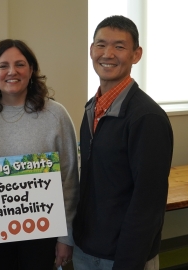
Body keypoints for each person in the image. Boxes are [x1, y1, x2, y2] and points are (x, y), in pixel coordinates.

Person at [72, 15, 174, 270]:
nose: (107, 53)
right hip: (85, 249)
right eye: (101, 44)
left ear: (136, 55)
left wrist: (128, 262)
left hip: (124, 257)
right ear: (91, 50)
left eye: (119, 46)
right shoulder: (92, 109)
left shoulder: (147, 118)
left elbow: (148, 204)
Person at [0, 39, 80, 269]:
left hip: (42, 232)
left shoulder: (56, 115)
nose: (12, 71)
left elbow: (70, 180)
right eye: (3, 66)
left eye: (20, 64)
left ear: (31, 70)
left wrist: (66, 236)